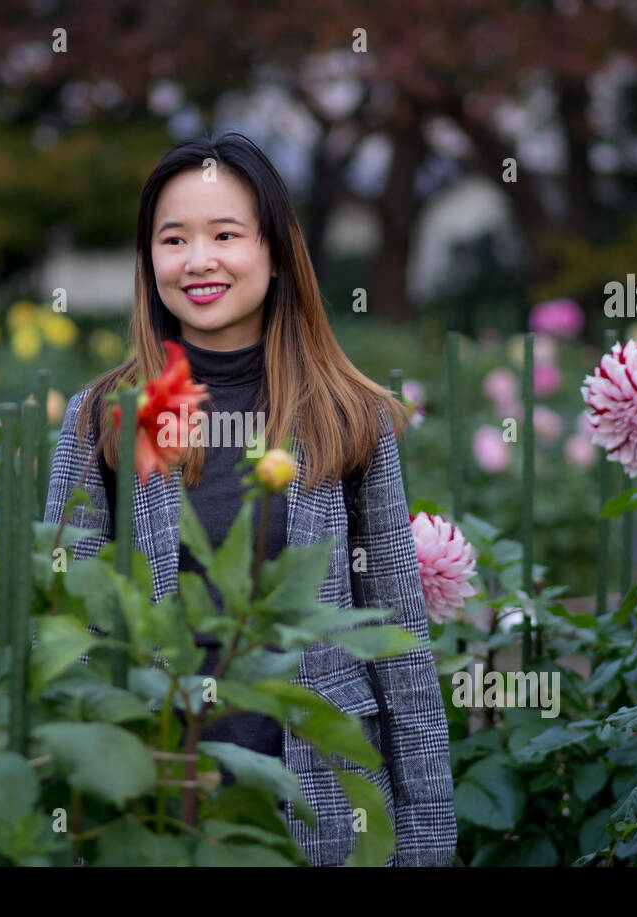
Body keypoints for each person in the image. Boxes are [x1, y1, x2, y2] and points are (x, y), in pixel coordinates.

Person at [43, 131, 456, 866]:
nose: (198, 260)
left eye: (225, 234)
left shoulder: (346, 418)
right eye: (173, 239)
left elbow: (400, 648)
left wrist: (426, 841)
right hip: (158, 803)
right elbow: (63, 634)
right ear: (150, 262)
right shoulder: (104, 416)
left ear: (275, 252)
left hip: (319, 802)